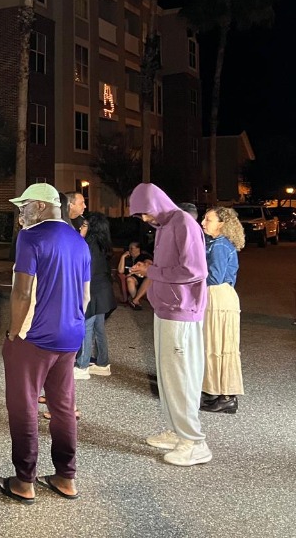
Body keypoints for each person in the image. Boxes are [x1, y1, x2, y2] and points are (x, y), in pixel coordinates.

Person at [0, 183, 89, 504]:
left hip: (33, 337)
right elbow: (85, 296)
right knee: (62, 408)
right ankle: (66, 476)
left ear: (43, 206)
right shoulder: (79, 241)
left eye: (25, 206)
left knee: (24, 407)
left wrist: (12, 333)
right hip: (70, 337)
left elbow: (21, 292)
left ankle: (24, 480)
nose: (20, 213)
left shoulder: (31, 237)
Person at [128, 183, 211, 467]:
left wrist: (152, 270)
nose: (145, 220)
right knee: (168, 376)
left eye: (145, 213)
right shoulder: (165, 225)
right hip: (166, 309)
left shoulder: (183, 223)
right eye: (140, 216)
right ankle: (178, 431)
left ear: (158, 204)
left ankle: (194, 442)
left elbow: (195, 270)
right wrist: (151, 270)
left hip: (181, 311)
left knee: (181, 376)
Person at [199, 206, 245, 415]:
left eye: (208, 219)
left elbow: (215, 277)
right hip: (220, 297)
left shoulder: (219, 245)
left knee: (220, 346)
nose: (203, 223)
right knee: (214, 345)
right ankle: (217, 391)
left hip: (218, 297)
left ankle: (227, 396)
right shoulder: (218, 243)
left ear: (221, 224)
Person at [74, 212, 116, 379]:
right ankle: (103, 363)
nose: (81, 227)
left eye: (84, 225)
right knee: (99, 329)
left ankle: (82, 366)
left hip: (92, 292)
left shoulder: (87, 245)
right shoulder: (102, 244)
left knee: (86, 328)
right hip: (104, 292)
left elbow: (85, 273)